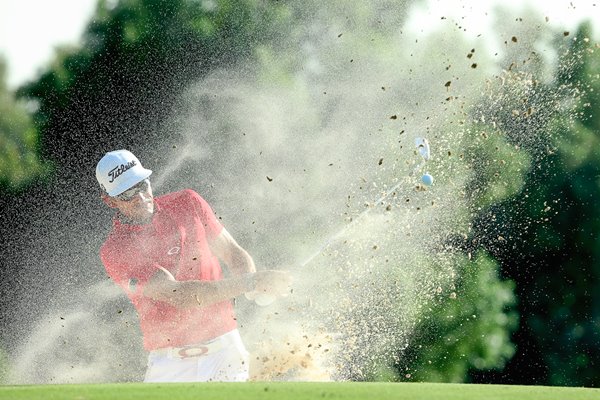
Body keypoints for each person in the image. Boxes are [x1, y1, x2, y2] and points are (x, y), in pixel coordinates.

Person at [96, 149, 291, 383]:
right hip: (170, 365)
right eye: (127, 193)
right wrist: (250, 282)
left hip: (226, 353)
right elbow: (180, 295)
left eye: (142, 185)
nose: (140, 197)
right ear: (109, 200)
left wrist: (253, 285)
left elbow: (232, 252)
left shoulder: (187, 202)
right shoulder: (116, 250)